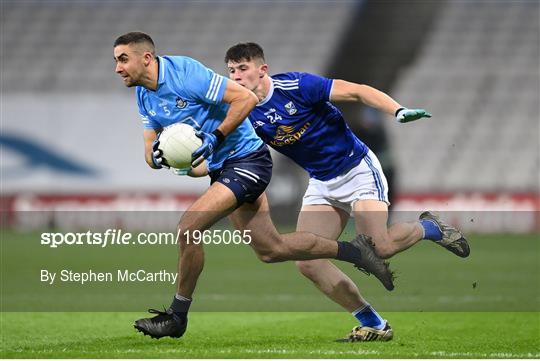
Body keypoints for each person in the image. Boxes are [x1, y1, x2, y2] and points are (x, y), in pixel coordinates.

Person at [113, 32, 394, 340]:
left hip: (247, 161)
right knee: (271, 250)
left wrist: (215, 137)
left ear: (147, 58)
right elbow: (150, 152)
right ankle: (356, 256)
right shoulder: (144, 95)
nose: (118, 68)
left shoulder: (184, 73)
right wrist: (161, 156)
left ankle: (176, 317)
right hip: (222, 168)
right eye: (116, 61)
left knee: (188, 228)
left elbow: (245, 98)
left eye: (123, 59)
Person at [224, 42, 470, 342]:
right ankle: (374, 323)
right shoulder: (244, 112)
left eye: (243, 68)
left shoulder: (298, 85)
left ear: (262, 69)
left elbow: (358, 91)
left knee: (380, 248)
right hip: (322, 182)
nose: (236, 76)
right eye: (231, 70)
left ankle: (430, 227)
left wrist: (397, 110)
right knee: (308, 261)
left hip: (357, 170)